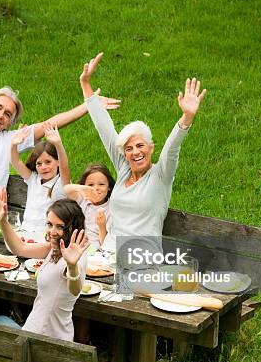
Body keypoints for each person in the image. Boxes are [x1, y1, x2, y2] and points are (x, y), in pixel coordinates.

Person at [0, 9, 120, 216]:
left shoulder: (11, 140)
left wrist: (89, 104)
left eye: (8, 114)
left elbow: (51, 123)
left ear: (10, 123)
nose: (0, 115)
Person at [79, 53, 206, 251]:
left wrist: (187, 117)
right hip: (108, 254)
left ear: (150, 147)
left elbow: (172, 148)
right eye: (128, 149)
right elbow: (104, 128)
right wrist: (86, 84)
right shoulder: (124, 169)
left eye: (140, 146)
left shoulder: (161, 175)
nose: (135, 152)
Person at [0, 188, 90, 342]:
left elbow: (75, 289)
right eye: (50, 224)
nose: (52, 231)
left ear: (73, 227)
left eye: (60, 227)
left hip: (45, 338)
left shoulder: (74, 257)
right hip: (35, 328)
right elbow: (20, 248)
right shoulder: (55, 247)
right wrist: (2, 221)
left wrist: (71, 265)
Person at [10, 122, 70, 233]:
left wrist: (58, 144)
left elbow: (65, 167)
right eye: (39, 164)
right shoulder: (33, 179)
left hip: (46, 236)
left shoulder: (61, 183)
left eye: (48, 162)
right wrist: (14, 144)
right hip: (24, 232)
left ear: (57, 162)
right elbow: (15, 161)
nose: (44, 167)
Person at [64, 164, 115, 248]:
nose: (96, 188)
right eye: (90, 185)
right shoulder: (82, 200)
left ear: (109, 186)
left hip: (95, 250)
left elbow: (105, 243)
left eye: (101, 184)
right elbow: (65, 190)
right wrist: (80, 188)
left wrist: (102, 226)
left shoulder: (110, 208)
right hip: (75, 246)